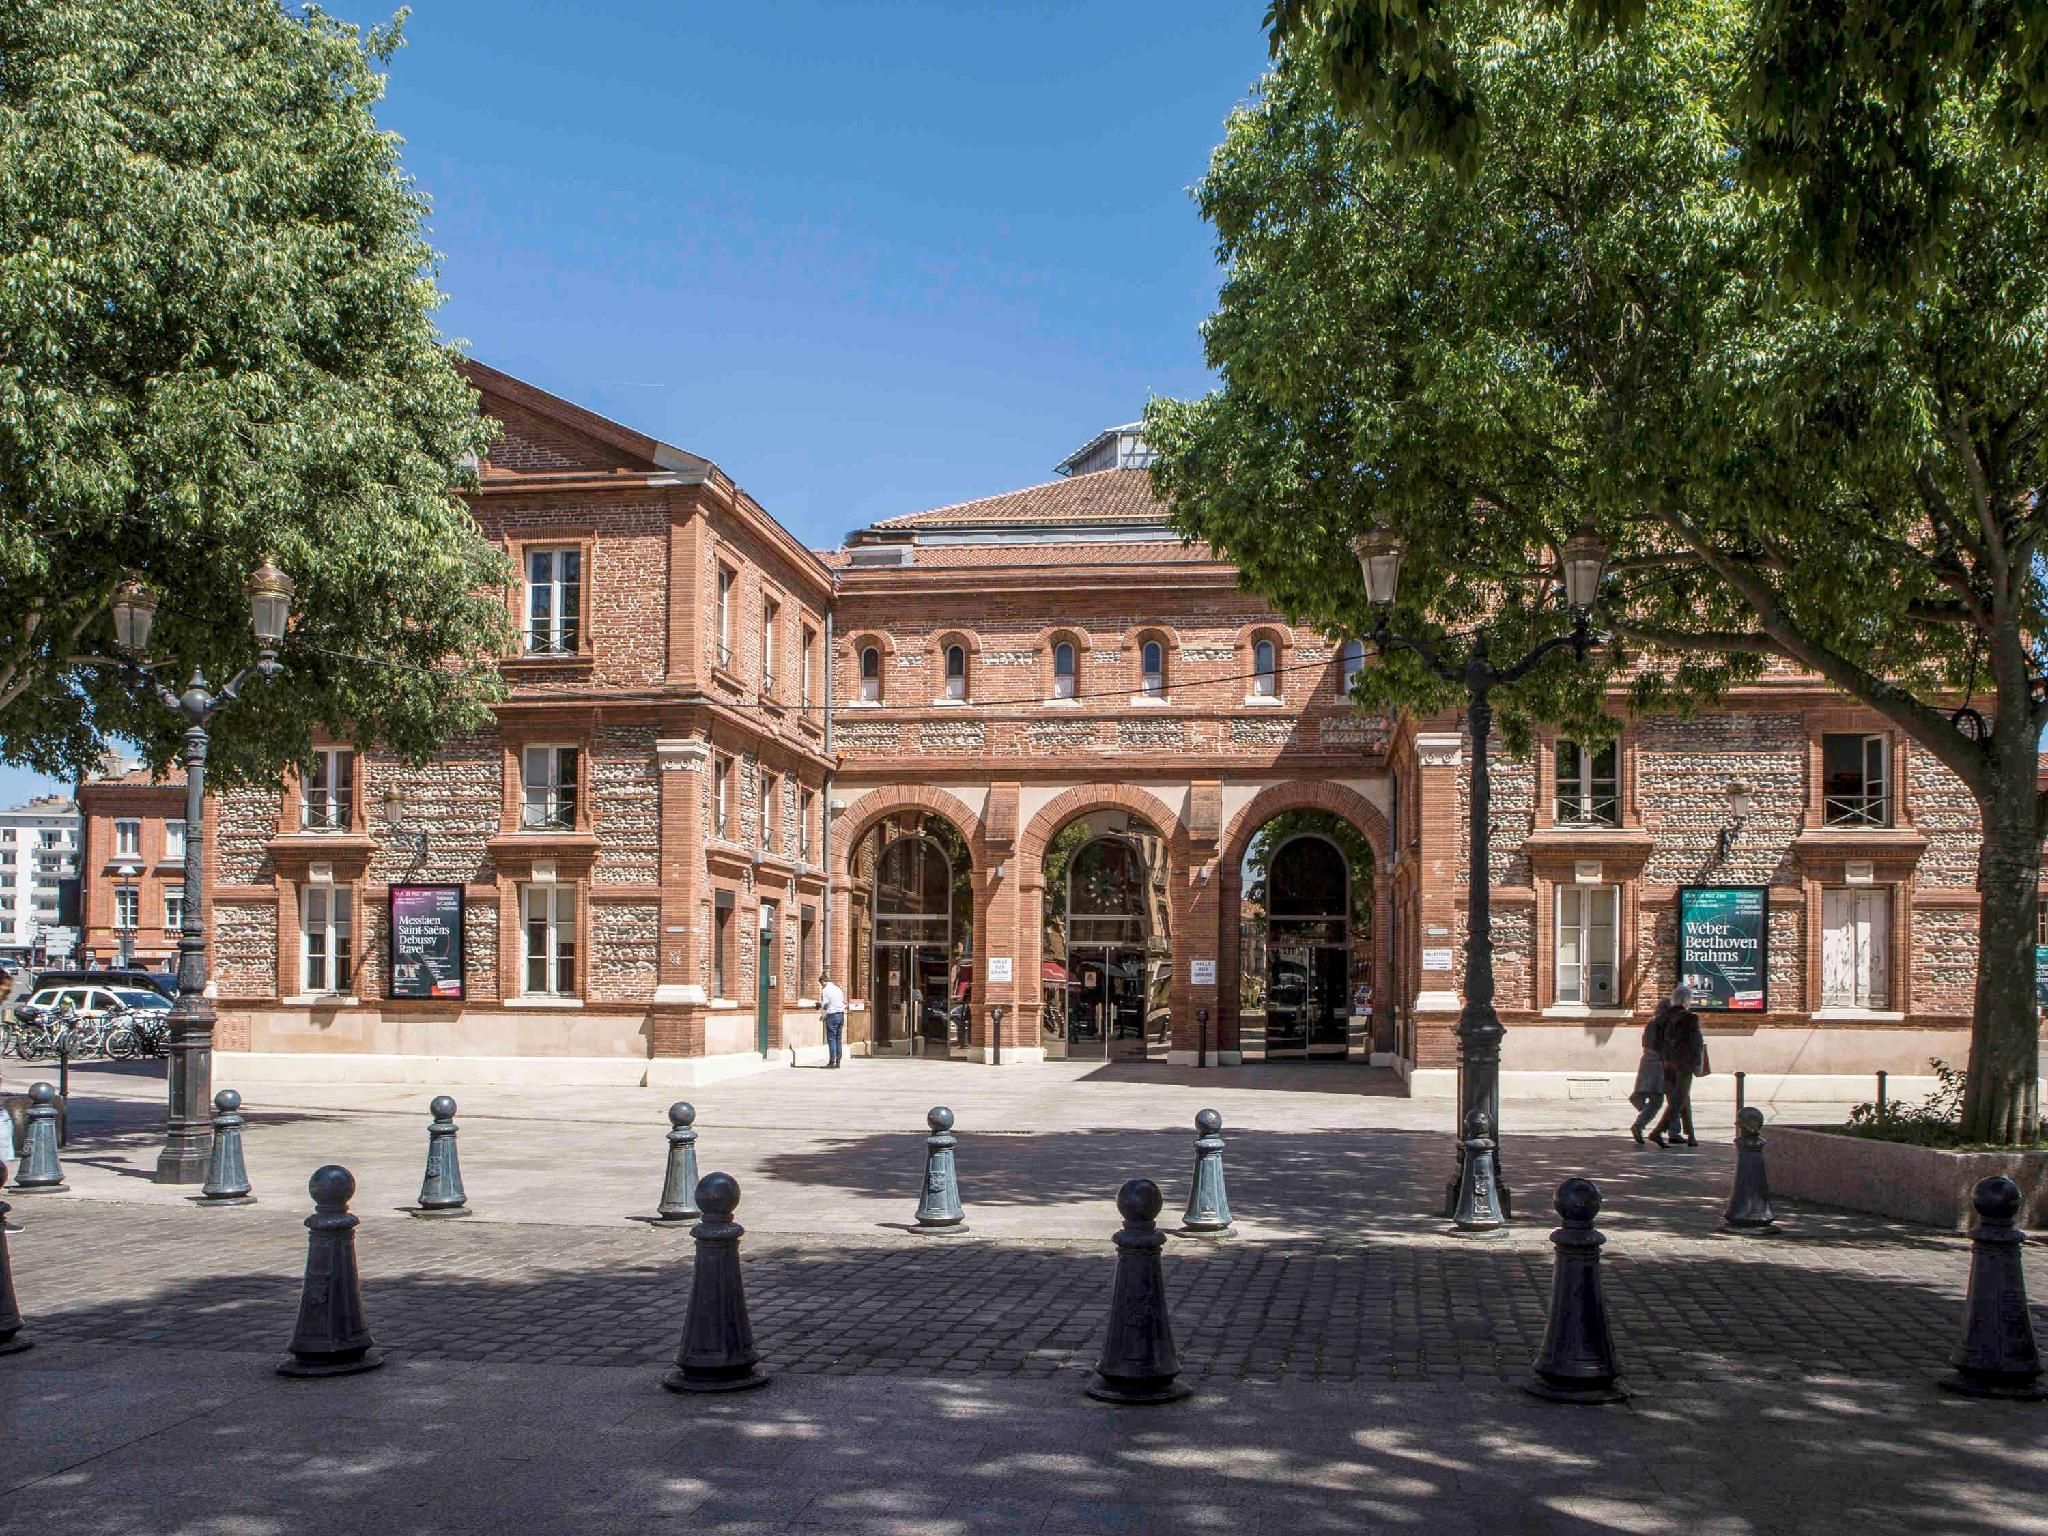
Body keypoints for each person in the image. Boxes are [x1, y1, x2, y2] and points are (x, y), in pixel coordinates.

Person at [1652, 986, 1706, 1148]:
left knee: (1683, 1098)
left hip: (1667, 1063)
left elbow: (1656, 1043)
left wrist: (1665, 1058)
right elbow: (1696, 1043)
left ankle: (1691, 1135)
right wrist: (1697, 1062)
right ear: (1687, 1000)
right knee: (1679, 1100)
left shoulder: (1663, 1018)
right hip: (1684, 1064)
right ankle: (1657, 1131)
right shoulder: (1690, 1018)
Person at [1628, 996, 1674, 1146]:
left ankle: (1638, 1099)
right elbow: (1667, 1043)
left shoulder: (1651, 1022)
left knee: (1650, 1094)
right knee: (1657, 1100)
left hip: (1647, 1060)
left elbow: (1644, 1041)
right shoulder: (1665, 1023)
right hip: (1659, 1063)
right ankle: (1639, 1125)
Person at [819, 971, 847, 1069]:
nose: (821, 986)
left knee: (831, 1039)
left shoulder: (825, 990)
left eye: (821, 983)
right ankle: (838, 1061)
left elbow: (825, 1004)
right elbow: (843, 1001)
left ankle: (832, 1061)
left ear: (823, 981)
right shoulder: (838, 988)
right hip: (841, 1014)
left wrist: (823, 1015)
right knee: (838, 1039)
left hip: (832, 1015)